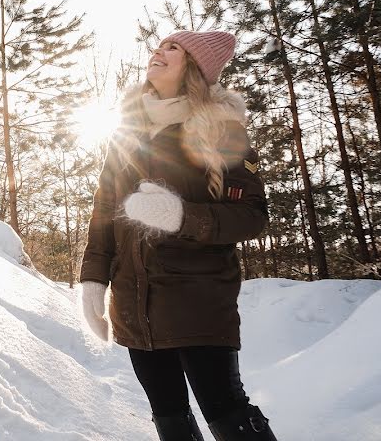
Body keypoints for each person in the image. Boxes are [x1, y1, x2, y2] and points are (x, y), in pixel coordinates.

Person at [80, 31, 278, 441]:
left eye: (173, 48)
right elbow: (103, 212)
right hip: (134, 301)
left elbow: (252, 216)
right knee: (169, 418)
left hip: (198, 300)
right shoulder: (126, 133)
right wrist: (94, 280)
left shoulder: (221, 131)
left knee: (226, 412)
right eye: (158, 46)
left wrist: (179, 216)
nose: (158, 51)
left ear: (194, 67)